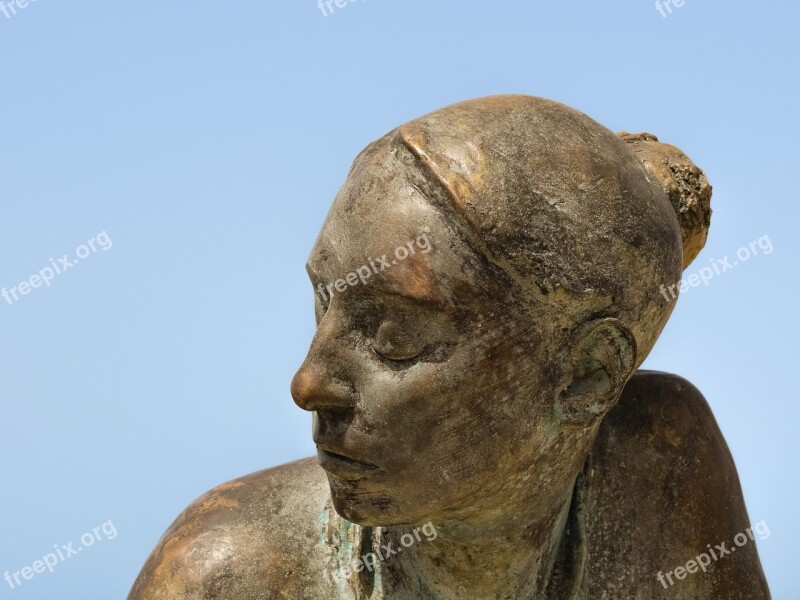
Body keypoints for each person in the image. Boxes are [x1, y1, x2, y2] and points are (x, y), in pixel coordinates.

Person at [128, 95, 770, 599]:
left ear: (589, 374)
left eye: (393, 337)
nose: (307, 384)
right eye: (325, 302)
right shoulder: (222, 576)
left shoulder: (659, 465)